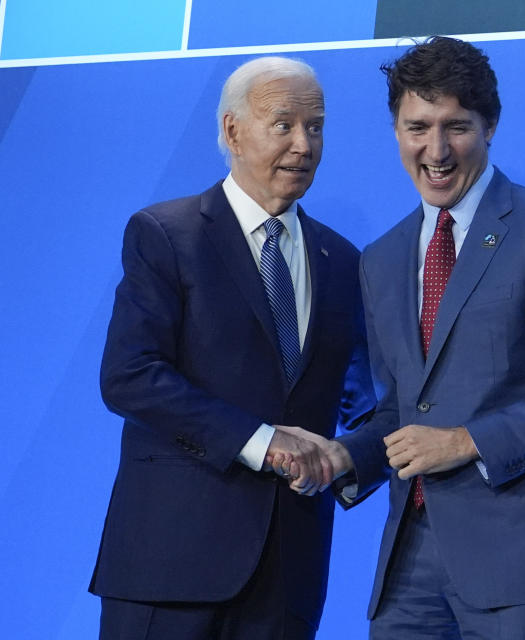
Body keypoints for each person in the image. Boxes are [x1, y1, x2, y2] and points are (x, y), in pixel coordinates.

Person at [287, 35, 525, 638]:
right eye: (417, 128)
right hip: (408, 564)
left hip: (523, 560)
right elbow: (400, 411)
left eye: (455, 127)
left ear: (490, 127)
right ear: (395, 130)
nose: (435, 150)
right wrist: (345, 454)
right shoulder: (381, 259)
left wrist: (468, 440)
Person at [90, 56, 373, 639]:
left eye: (316, 126)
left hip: (288, 576)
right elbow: (130, 375)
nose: (304, 143)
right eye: (284, 124)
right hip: (170, 567)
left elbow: (366, 399)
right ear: (231, 130)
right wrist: (264, 444)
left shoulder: (343, 261)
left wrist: (354, 458)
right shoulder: (165, 235)